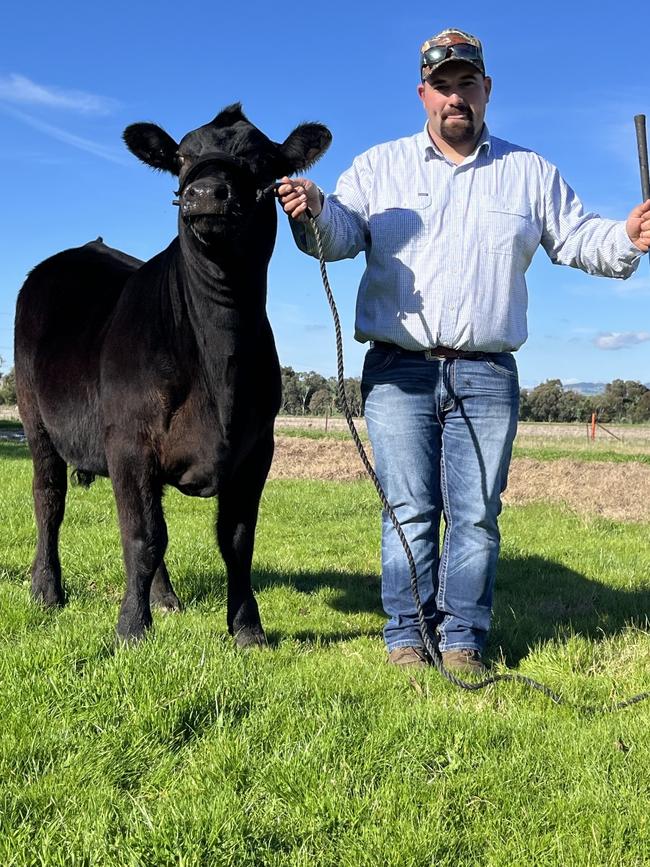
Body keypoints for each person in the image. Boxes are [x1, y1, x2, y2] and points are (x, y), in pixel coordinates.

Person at [277, 28, 650, 673]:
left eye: (467, 84)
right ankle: (405, 638)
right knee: (410, 510)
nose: (456, 97)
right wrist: (311, 208)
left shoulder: (529, 173)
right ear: (422, 93)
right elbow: (337, 235)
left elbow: (580, 238)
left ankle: (462, 641)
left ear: (487, 90)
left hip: (486, 371)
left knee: (475, 515)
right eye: (442, 86)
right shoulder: (379, 167)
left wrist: (629, 235)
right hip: (398, 368)